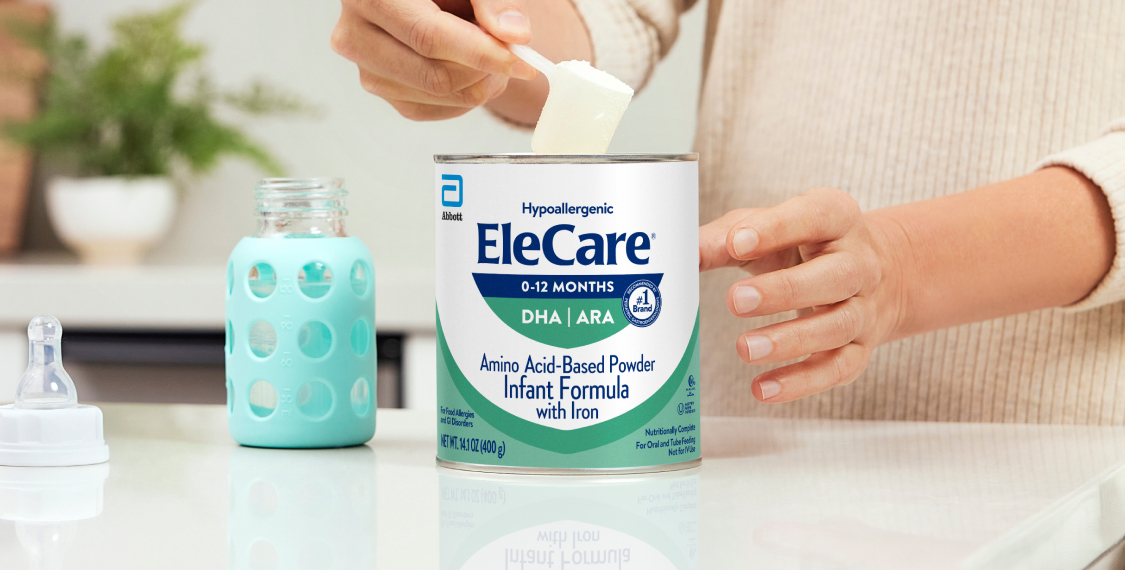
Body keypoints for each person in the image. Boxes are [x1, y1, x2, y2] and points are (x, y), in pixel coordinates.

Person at [331, 0, 1125, 424]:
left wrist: (906, 267)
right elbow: (602, 21)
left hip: (1059, 473)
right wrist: (466, 23)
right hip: (744, 446)